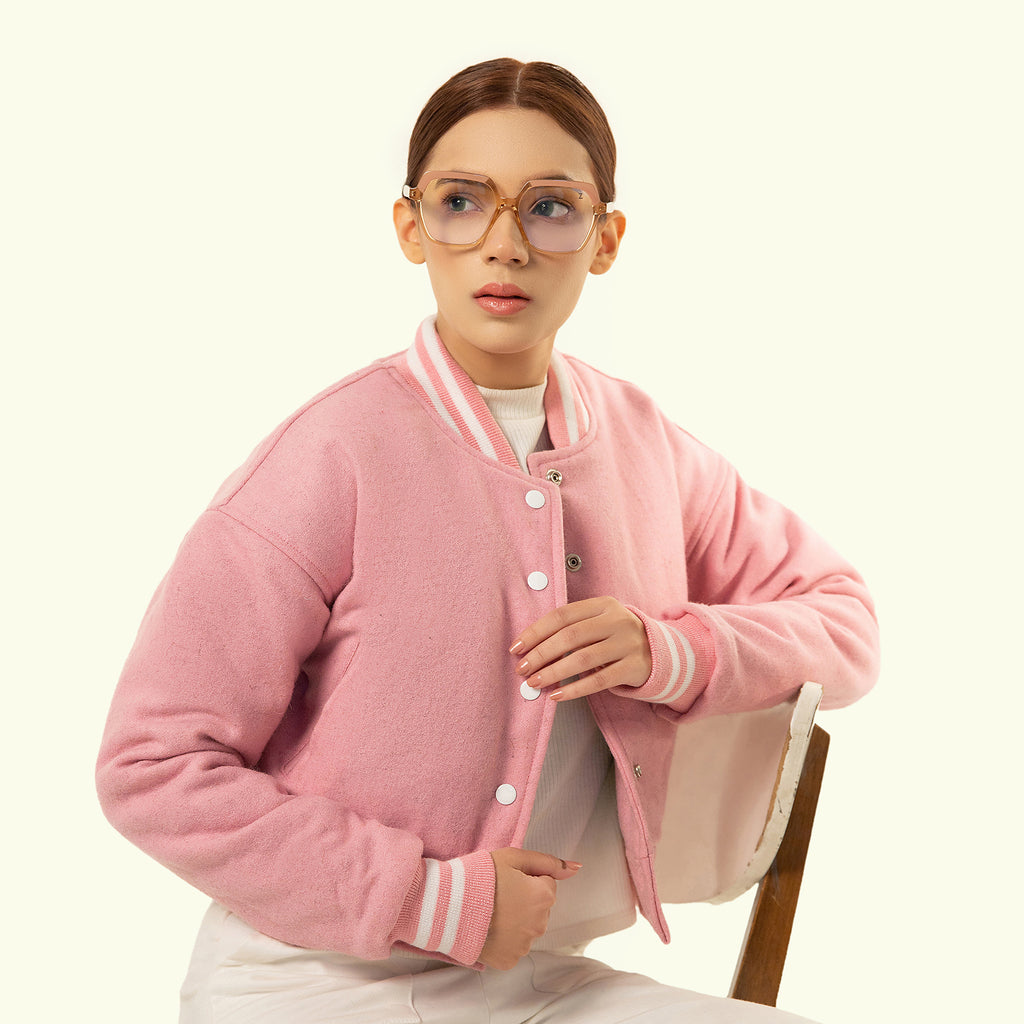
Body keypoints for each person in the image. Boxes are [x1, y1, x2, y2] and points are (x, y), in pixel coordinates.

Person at [97, 57, 879, 1022]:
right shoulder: (331, 454)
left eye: (550, 207)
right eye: (463, 201)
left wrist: (671, 649)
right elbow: (152, 768)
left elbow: (844, 625)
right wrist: (433, 898)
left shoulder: (644, 445)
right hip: (310, 983)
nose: (504, 244)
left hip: (549, 980)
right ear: (411, 225)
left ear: (605, 239)